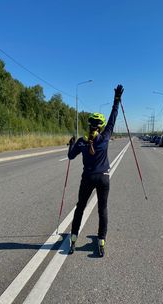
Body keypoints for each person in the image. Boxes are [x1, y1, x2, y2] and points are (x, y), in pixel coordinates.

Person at [67, 84, 124, 257]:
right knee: (102, 209)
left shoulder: (82, 142)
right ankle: (101, 241)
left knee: (80, 208)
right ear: (101, 126)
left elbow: (70, 157)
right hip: (104, 178)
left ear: (89, 125)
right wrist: (117, 99)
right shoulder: (105, 137)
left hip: (88, 178)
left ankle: (74, 239)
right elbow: (113, 118)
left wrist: (71, 144)